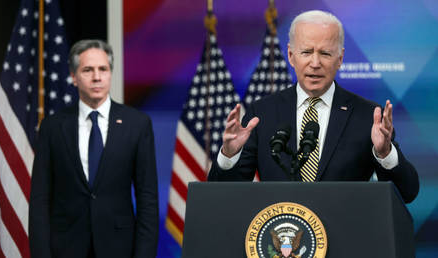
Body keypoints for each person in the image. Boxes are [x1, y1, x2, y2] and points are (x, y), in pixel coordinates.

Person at [208, 10, 419, 204]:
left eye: (325, 53)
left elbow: (407, 192)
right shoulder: (261, 114)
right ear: (291, 56)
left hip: (346, 240)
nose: (315, 63)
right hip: (279, 239)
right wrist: (229, 155)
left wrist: (385, 153)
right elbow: (222, 197)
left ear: (340, 58)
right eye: (306, 52)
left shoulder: (367, 116)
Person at [29, 39, 159, 258]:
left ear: (110, 73)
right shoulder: (52, 127)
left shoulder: (137, 124)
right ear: (73, 76)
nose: (97, 77)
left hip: (119, 249)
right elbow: (40, 200)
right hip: (65, 249)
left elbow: (148, 200)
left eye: (103, 69)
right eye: (88, 70)